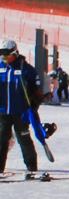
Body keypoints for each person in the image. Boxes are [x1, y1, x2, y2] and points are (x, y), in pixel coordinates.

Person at [1, 38, 45, 177]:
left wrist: (34, 104)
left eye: (7, 55)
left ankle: (31, 167)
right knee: (2, 139)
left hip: (21, 112)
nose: (4, 57)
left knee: (23, 138)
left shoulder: (26, 69)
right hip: (3, 111)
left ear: (15, 53)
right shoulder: (1, 67)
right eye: (2, 54)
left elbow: (36, 89)